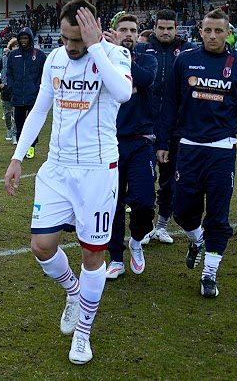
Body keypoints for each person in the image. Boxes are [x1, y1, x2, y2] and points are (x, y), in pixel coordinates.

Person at [4, 0, 132, 365]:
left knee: (93, 254)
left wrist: (96, 47)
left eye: (77, 39)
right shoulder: (55, 59)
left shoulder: (115, 56)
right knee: (41, 245)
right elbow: (41, 108)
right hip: (57, 167)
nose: (70, 46)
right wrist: (17, 157)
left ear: (92, 31)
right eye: (65, 38)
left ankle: (83, 333)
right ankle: (72, 292)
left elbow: (123, 94)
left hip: (97, 170)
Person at [155, 8, 237, 298]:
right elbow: (170, 104)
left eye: (219, 31)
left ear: (228, 32)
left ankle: (209, 274)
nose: (213, 36)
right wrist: (163, 143)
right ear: (200, 31)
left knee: (218, 214)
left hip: (222, 150)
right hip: (189, 147)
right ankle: (197, 240)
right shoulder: (186, 61)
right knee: (181, 210)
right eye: (208, 30)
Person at [103, 14, 157, 280]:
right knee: (112, 203)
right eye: (122, 29)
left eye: (132, 30)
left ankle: (136, 240)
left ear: (138, 34)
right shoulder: (103, 60)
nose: (128, 33)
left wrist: (121, 54)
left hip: (140, 141)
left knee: (145, 201)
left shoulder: (147, 58)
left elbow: (146, 79)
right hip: (109, 142)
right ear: (114, 31)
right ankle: (115, 258)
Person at [136, 9, 196, 244]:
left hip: (176, 126)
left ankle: (162, 226)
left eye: (170, 28)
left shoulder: (188, 50)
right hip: (147, 124)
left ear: (177, 28)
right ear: (155, 27)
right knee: (145, 179)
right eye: (161, 27)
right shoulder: (143, 49)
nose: (165, 32)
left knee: (170, 179)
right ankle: (147, 226)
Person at [7, 26, 47, 160]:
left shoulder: (39, 55)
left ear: (30, 39)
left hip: (33, 96)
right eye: (21, 38)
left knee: (32, 123)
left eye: (26, 38)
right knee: (19, 123)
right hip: (17, 95)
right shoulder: (13, 55)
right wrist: (11, 86)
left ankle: (31, 146)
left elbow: (44, 74)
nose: (23, 40)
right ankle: (20, 146)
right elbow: (9, 72)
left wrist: (37, 88)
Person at [0, 38, 18, 144]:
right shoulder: (4, 59)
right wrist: (0, 83)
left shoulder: (22, 59)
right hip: (6, 89)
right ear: (11, 47)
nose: (16, 48)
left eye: (18, 46)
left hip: (17, 89)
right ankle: (9, 129)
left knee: (18, 113)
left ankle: (15, 133)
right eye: (15, 46)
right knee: (7, 112)